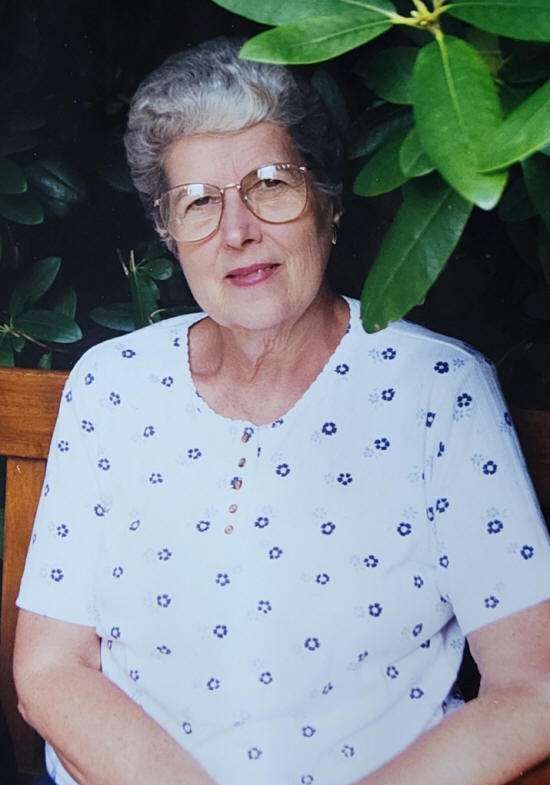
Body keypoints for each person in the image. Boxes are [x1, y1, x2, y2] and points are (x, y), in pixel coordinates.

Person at [13, 36, 550, 785]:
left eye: (270, 185)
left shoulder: (438, 391)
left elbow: (534, 687)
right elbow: (50, 667)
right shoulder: (112, 386)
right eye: (199, 202)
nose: (237, 231)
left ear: (329, 205)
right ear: (170, 235)